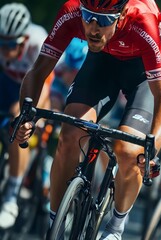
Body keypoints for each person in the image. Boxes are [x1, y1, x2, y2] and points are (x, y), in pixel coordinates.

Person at [12, 0, 161, 239]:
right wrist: (26, 115)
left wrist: (153, 150)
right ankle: (54, 224)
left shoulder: (143, 21)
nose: (93, 28)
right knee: (69, 135)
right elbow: (38, 70)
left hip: (143, 70)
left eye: (105, 19)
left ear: (121, 16)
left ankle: (116, 227)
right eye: (88, 16)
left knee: (130, 151)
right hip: (103, 62)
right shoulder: (71, 12)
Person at [0, 2, 54, 229]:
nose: (5, 49)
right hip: (6, 83)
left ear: (23, 40)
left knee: (17, 123)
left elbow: (45, 86)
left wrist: (26, 114)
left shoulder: (37, 42)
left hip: (32, 88)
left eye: (11, 44)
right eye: (1, 43)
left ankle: (11, 195)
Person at [50, 37, 88, 111]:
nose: (72, 75)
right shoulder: (59, 71)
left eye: (77, 72)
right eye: (71, 70)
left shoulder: (92, 78)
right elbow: (54, 105)